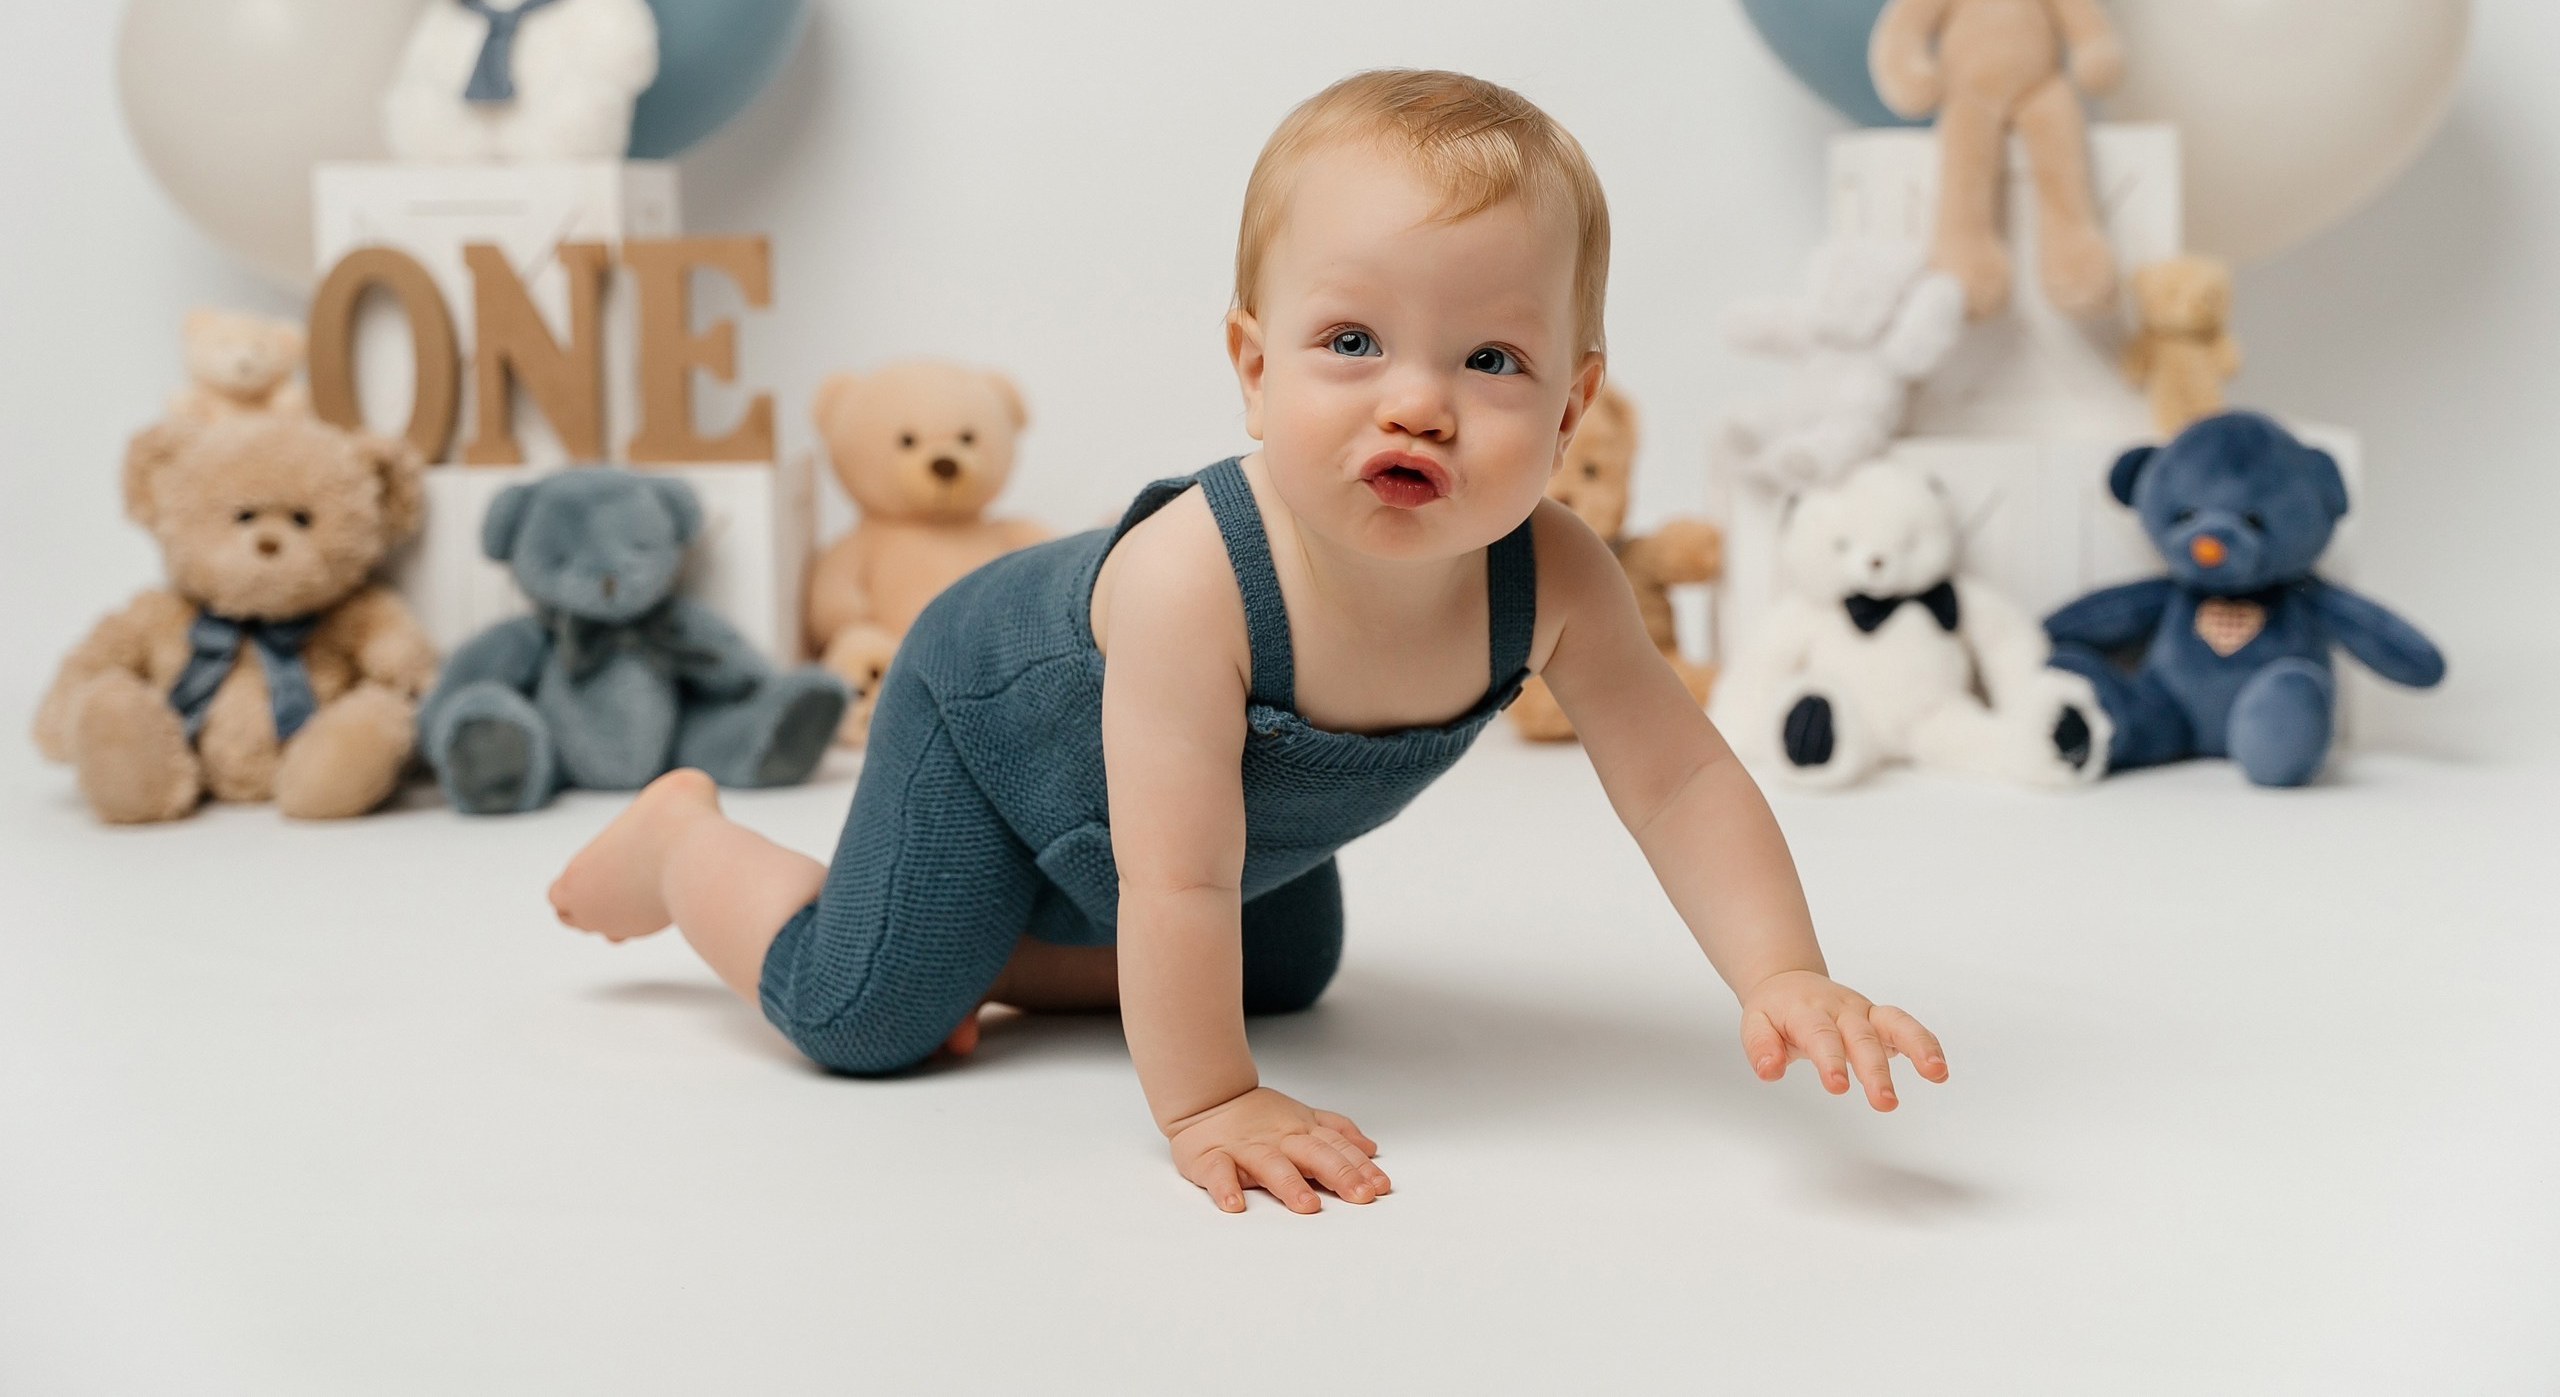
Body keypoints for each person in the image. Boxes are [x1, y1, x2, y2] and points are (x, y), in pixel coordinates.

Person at [547, 69, 1947, 1214]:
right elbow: (1177, 872)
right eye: (1352, 341)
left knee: (1282, 975)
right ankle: (688, 850)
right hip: (999, 729)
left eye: (1492, 361)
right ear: (1251, 364)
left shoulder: (1557, 577)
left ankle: (979, 938)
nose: (1419, 403)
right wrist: (1206, 1099)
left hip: (1212, 834)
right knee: (866, 1018)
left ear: (1575, 407)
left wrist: (1784, 971)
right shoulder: (1191, 584)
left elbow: (1682, 782)